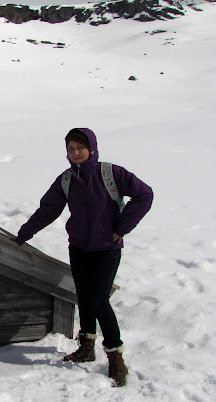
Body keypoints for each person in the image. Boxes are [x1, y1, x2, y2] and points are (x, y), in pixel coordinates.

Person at [15, 128, 153, 387]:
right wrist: (25, 234)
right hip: (79, 247)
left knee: (99, 300)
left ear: (91, 148)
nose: (75, 153)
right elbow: (48, 209)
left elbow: (145, 195)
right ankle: (87, 347)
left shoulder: (112, 173)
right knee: (85, 297)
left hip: (107, 249)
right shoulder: (66, 180)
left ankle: (115, 357)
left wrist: (122, 227)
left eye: (80, 147)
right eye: (70, 149)